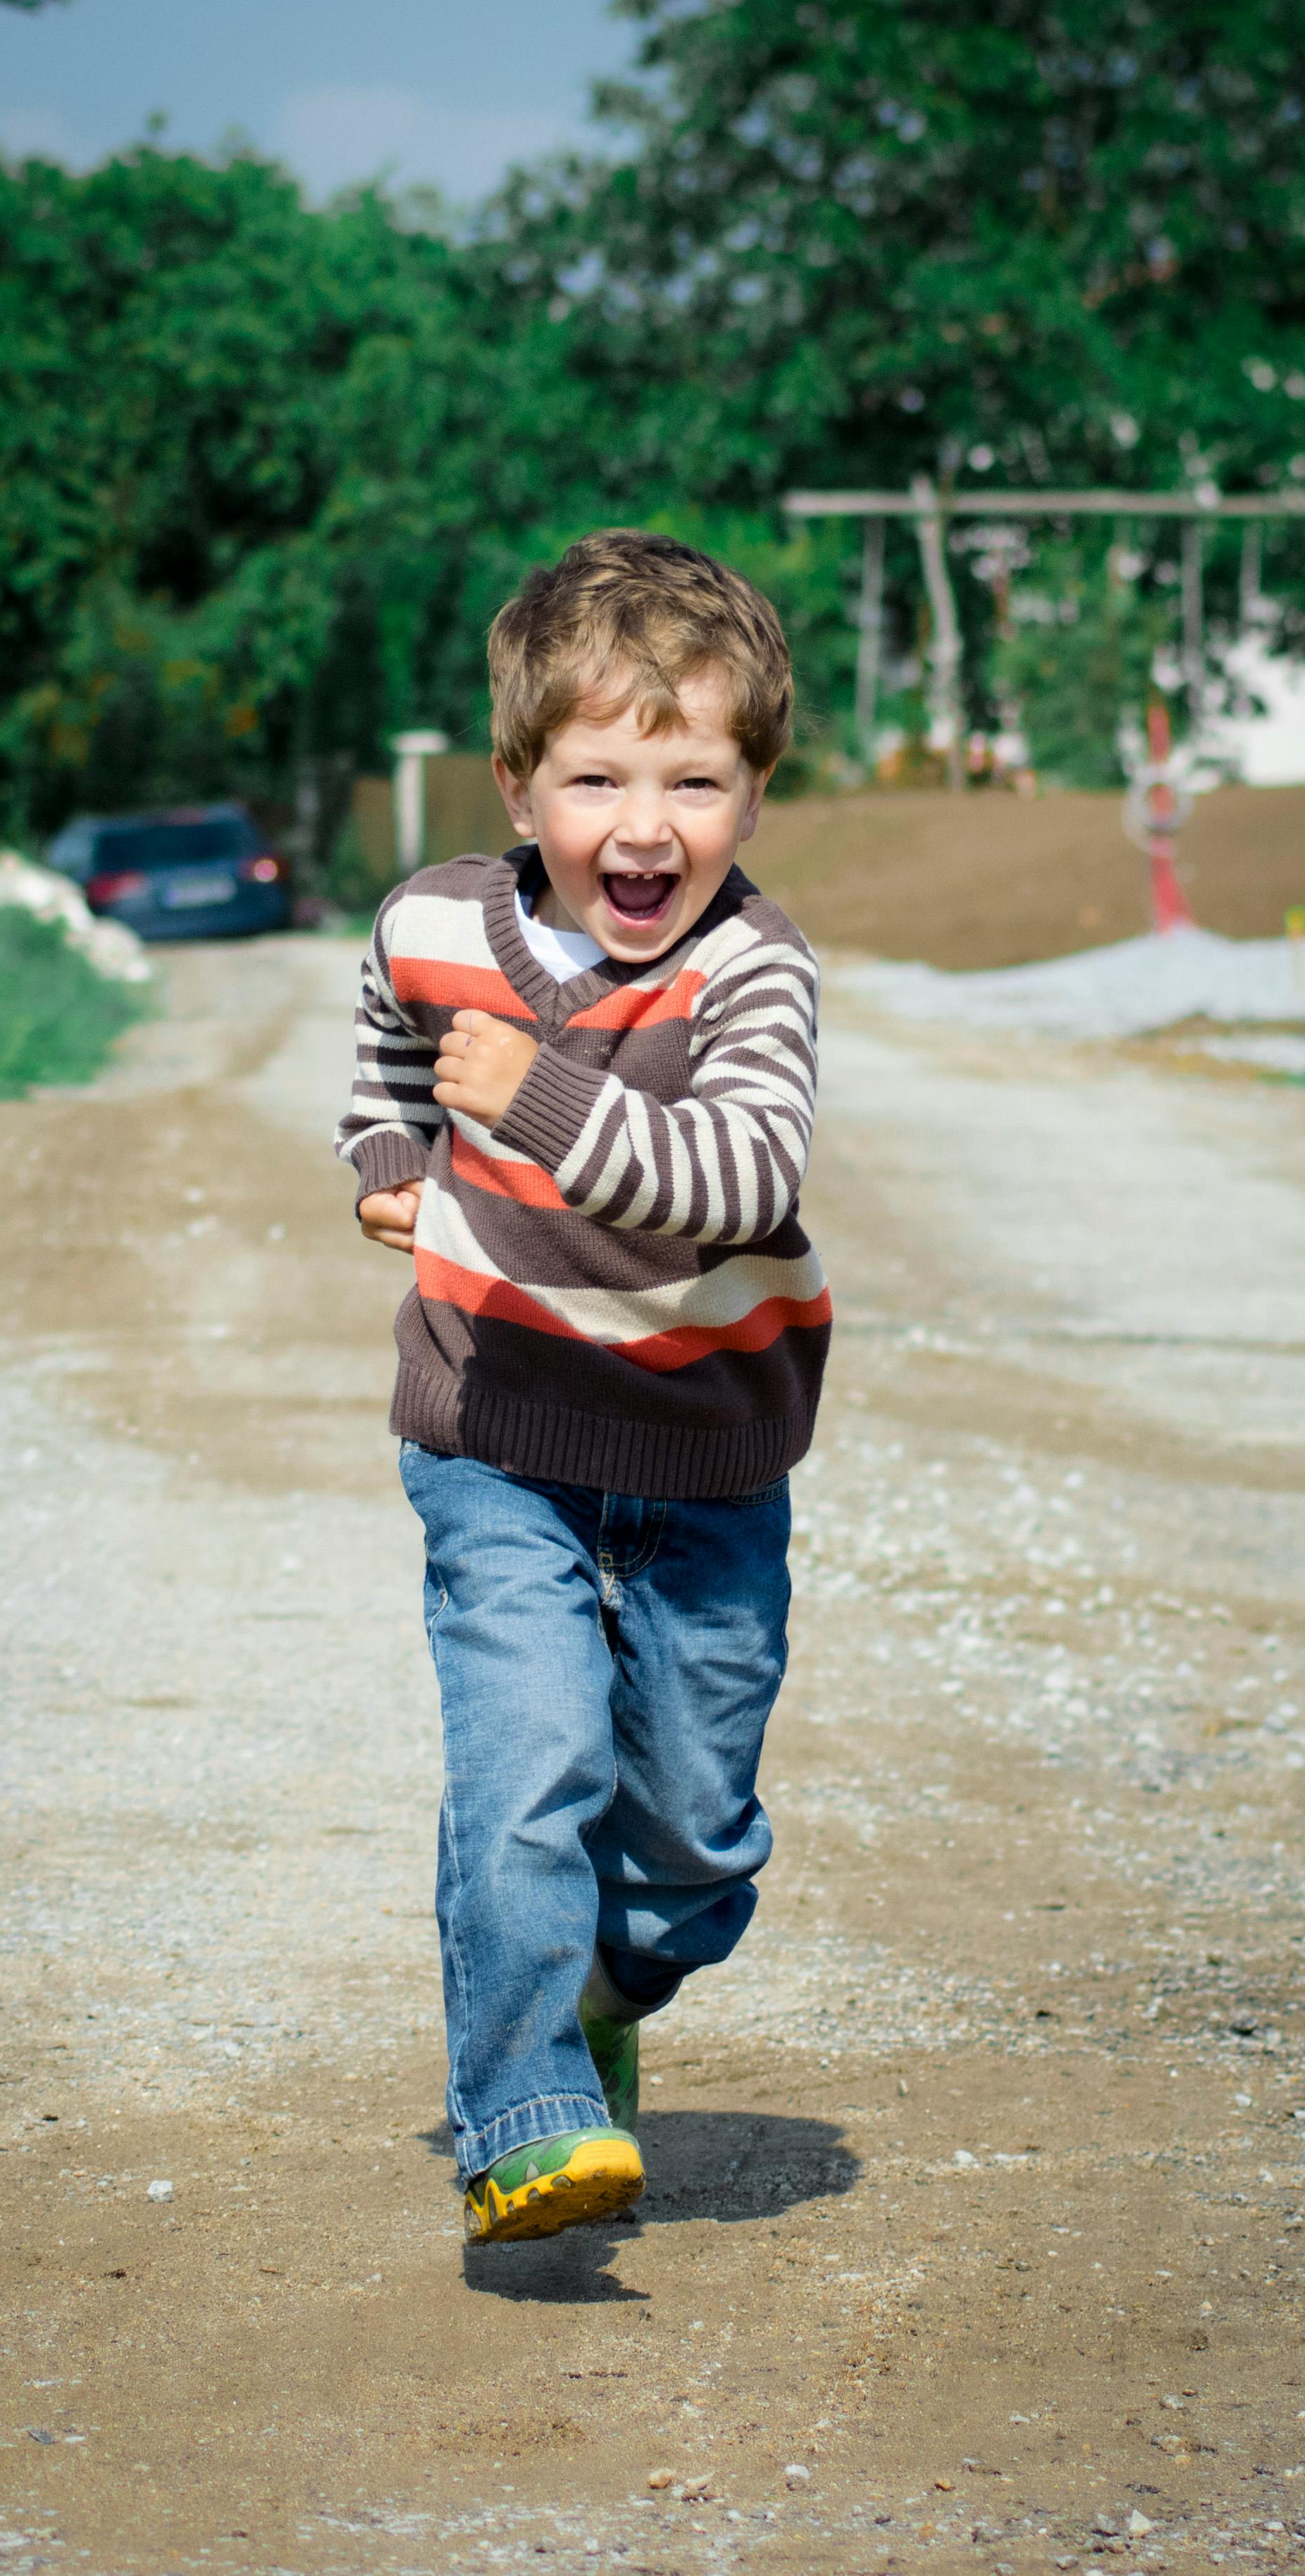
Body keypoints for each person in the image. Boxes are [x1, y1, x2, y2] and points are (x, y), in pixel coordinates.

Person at [335, 528, 831, 2244]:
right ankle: (524, 2108)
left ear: (753, 791)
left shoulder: (751, 973)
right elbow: (388, 1046)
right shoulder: (434, 921)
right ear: (516, 782)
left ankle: (607, 1985)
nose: (645, 823)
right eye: (597, 774)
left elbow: (742, 1175)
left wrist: (534, 1100)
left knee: (695, 1844)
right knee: (525, 1762)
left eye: (694, 778)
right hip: (498, 1433)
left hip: (704, 1455)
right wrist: (391, 1154)